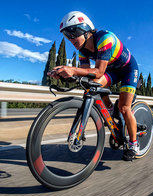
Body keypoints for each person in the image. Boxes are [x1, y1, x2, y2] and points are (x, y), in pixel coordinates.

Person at [48, 11, 139, 161]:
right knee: (92, 86)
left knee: (124, 107)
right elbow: (86, 74)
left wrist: (72, 69)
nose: (70, 38)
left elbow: (98, 71)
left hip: (128, 69)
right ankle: (110, 110)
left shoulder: (105, 38)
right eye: (66, 35)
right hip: (112, 70)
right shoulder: (82, 49)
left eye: (72, 33)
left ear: (85, 29)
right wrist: (67, 75)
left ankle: (133, 144)